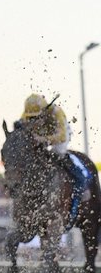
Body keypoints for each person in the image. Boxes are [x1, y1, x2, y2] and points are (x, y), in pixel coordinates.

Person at [19, 93, 90, 222]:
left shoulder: (57, 112)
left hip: (59, 135)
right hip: (40, 135)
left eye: (36, 117)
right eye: (30, 118)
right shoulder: (26, 114)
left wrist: (43, 139)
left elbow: (62, 136)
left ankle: (80, 180)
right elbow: (21, 128)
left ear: (44, 111)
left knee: (57, 153)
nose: (33, 120)